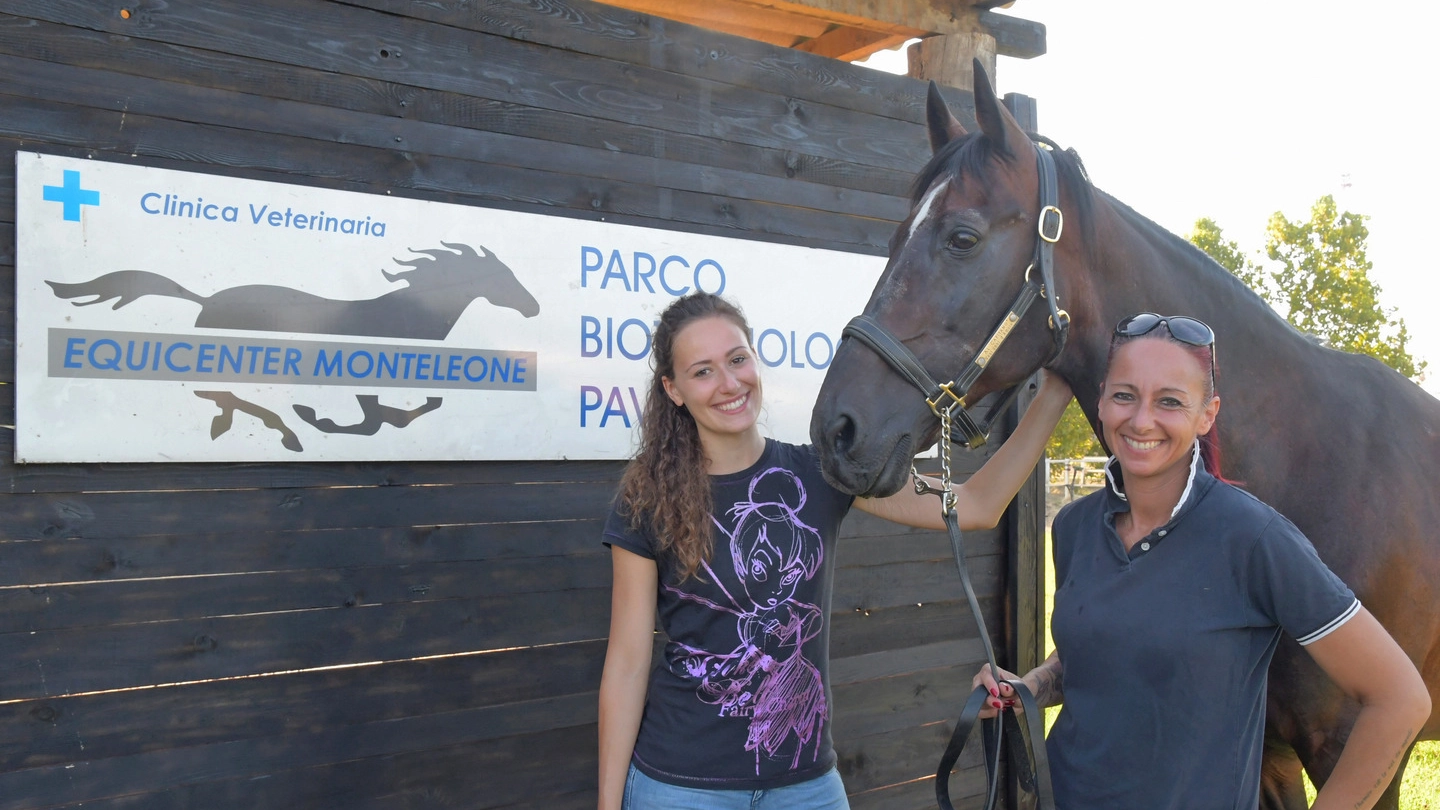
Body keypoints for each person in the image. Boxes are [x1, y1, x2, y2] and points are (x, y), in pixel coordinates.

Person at [597, 291, 1074, 810]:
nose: (730, 383)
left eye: (737, 359)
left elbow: (978, 505)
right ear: (673, 389)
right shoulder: (647, 497)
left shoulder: (823, 472)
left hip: (805, 787)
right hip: (681, 786)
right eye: (703, 371)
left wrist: (1055, 391)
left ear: (755, 359)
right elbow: (626, 662)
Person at [973, 313, 1431, 810]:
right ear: (1102, 399)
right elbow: (1097, 651)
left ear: (1207, 414)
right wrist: (1030, 687)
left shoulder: (1254, 538)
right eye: (1125, 395)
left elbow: (1401, 698)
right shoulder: (1075, 526)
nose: (1142, 419)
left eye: (1169, 401)